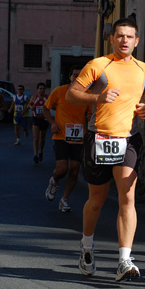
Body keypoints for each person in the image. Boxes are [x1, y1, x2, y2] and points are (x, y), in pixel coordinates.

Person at [66, 17, 145, 282]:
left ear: (136, 41)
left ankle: (124, 260)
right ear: (112, 39)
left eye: (130, 37)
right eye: (120, 36)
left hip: (129, 139)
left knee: (128, 198)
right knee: (97, 199)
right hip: (100, 138)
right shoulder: (98, 65)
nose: (125, 40)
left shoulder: (143, 68)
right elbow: (72, 94)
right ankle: (87, 246)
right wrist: (98, 97)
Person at [43, 66, 90, 212]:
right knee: (62, 169)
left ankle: (64, 199)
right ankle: (54, 180)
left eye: (79, 75)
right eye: (74, 75)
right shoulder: (59, 91)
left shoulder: (87, 95)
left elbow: (90, 114)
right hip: (61, 135)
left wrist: (90, 119)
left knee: (74, 170)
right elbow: (46, 108)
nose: (76, 78)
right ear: (70, 77)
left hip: (78, 137)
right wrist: (53, 123)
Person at [30, 82, 49, 163]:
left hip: (44, 119)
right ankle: (35, 154)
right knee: (36, 138)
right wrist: (32, 107)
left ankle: (41, 151)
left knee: (42, 140)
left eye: (43, 89)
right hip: (36, 119)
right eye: (40, 89)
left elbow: (52, 106)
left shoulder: (47, 98)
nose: (42, 90)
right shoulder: (34, 97)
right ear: (37, 90)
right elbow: (30, 105)